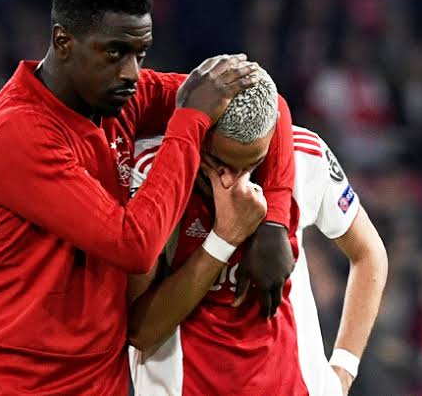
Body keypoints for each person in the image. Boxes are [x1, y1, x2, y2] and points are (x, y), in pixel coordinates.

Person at [0, 0, 281, 396]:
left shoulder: (118, 98)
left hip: (100, 382)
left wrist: (275, 220)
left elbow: (259, 97)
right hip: (11, 384)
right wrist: (188, 121)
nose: (131, 73)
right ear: (63, 42)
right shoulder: (15, 133)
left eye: (140, 53)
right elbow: (134, 245)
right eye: (115, 52)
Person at [126, 69, 388, 395]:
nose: (233, 181)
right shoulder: (151, 173)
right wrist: (224, 239)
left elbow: (369, 253)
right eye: (219, 164)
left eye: (250, 166)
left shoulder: (304, 156)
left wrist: (343, 369)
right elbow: (141, 331)